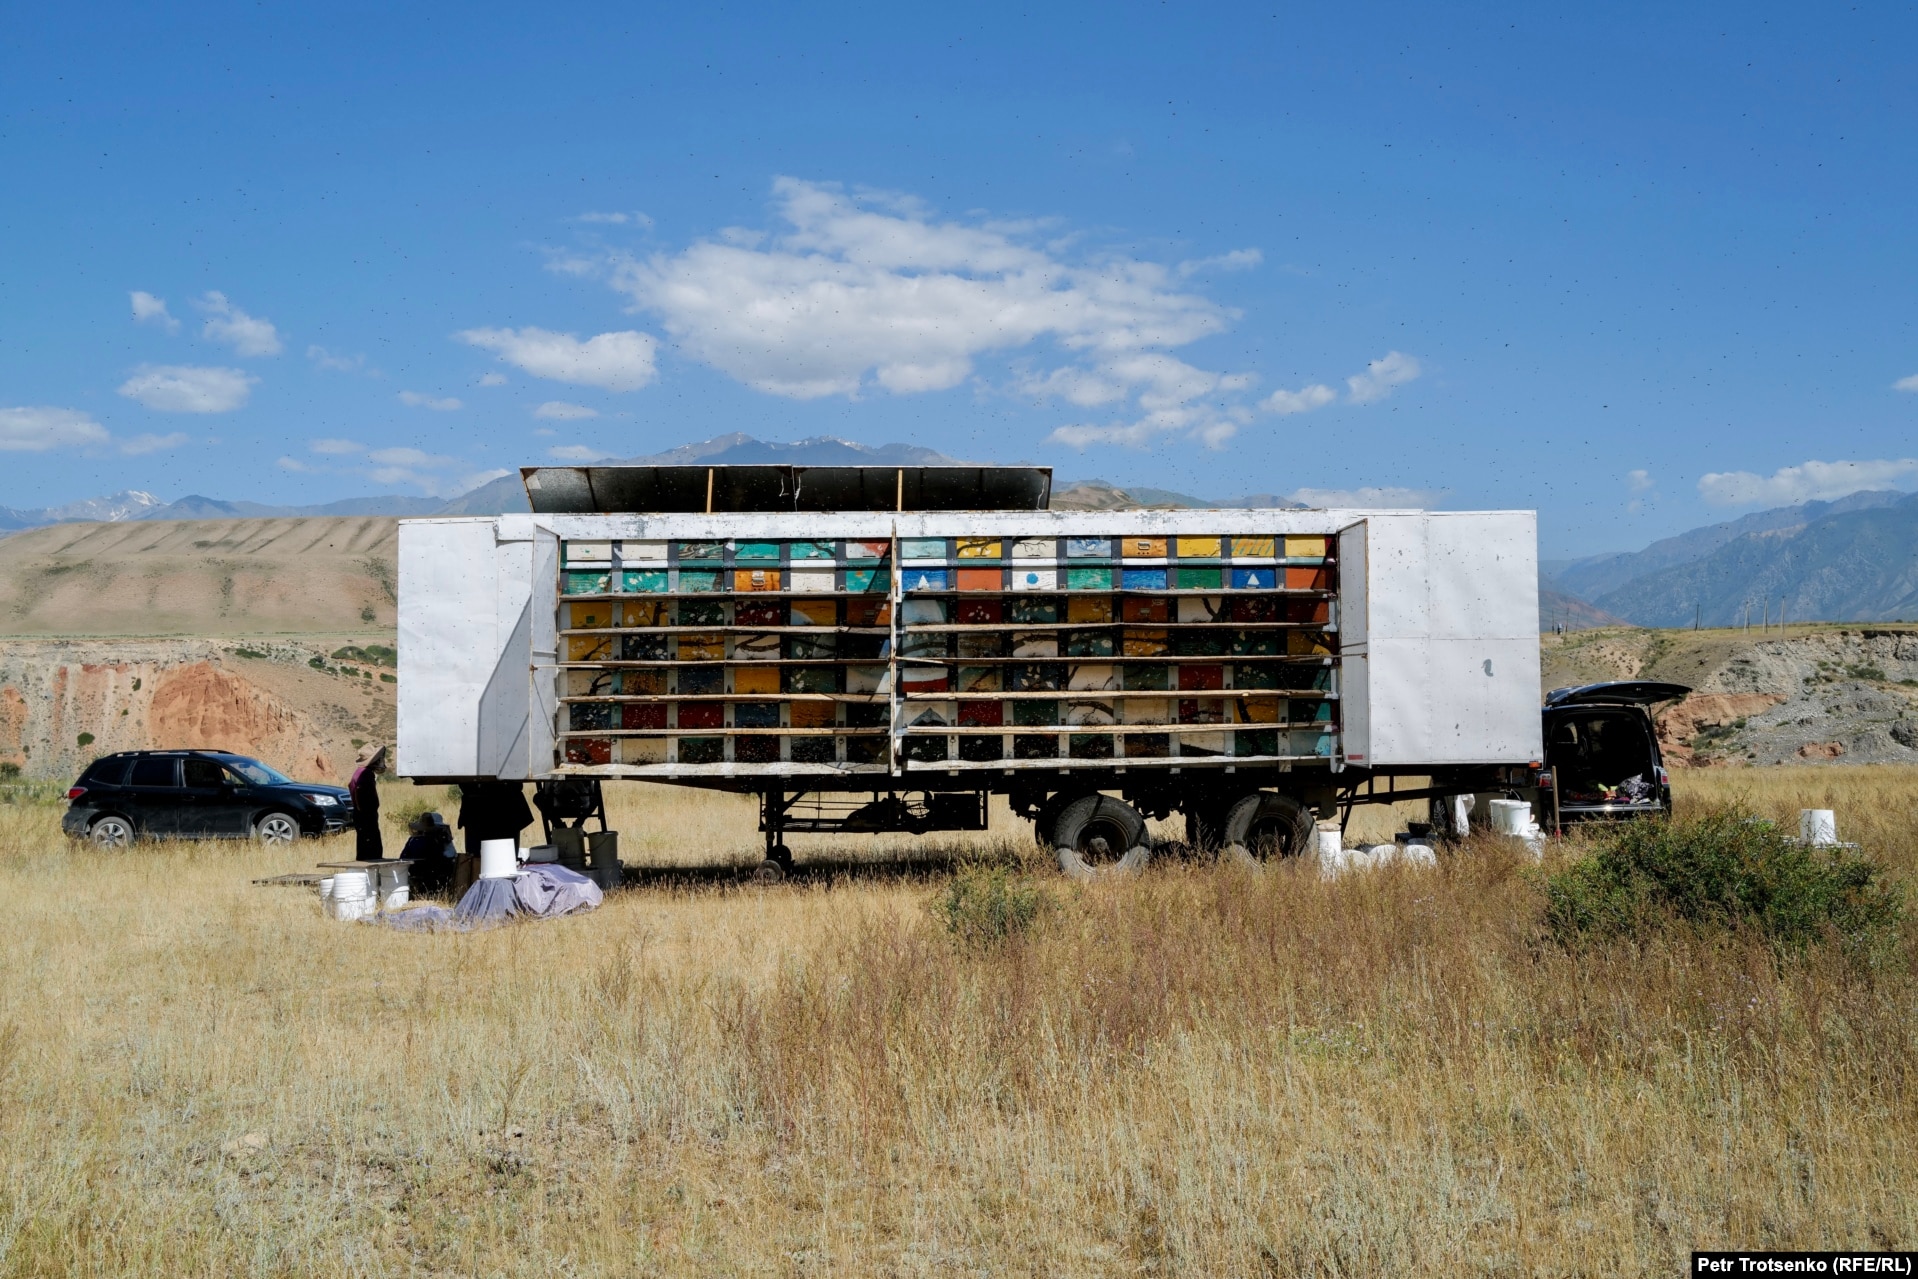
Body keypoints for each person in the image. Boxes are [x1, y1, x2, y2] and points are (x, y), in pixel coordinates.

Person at [453, 780, 534, 897]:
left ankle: (487, 892)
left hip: (496, 806)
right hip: (493, 806)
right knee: (482, 858)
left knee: (496, 858)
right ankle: (485, 892)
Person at [399, 811, 456, 895]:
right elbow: (451, 856)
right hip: (432, 876)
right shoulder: (440, 840)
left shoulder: (413, 840)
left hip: (421, 874)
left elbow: (403, 857)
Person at [349, 744, 387, 861]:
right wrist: (367, 812)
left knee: (363, 844)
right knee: (371, 845)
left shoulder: (359, 772)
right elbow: (363, 796)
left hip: (361, 814)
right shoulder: (366, 774)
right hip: (366, 814)